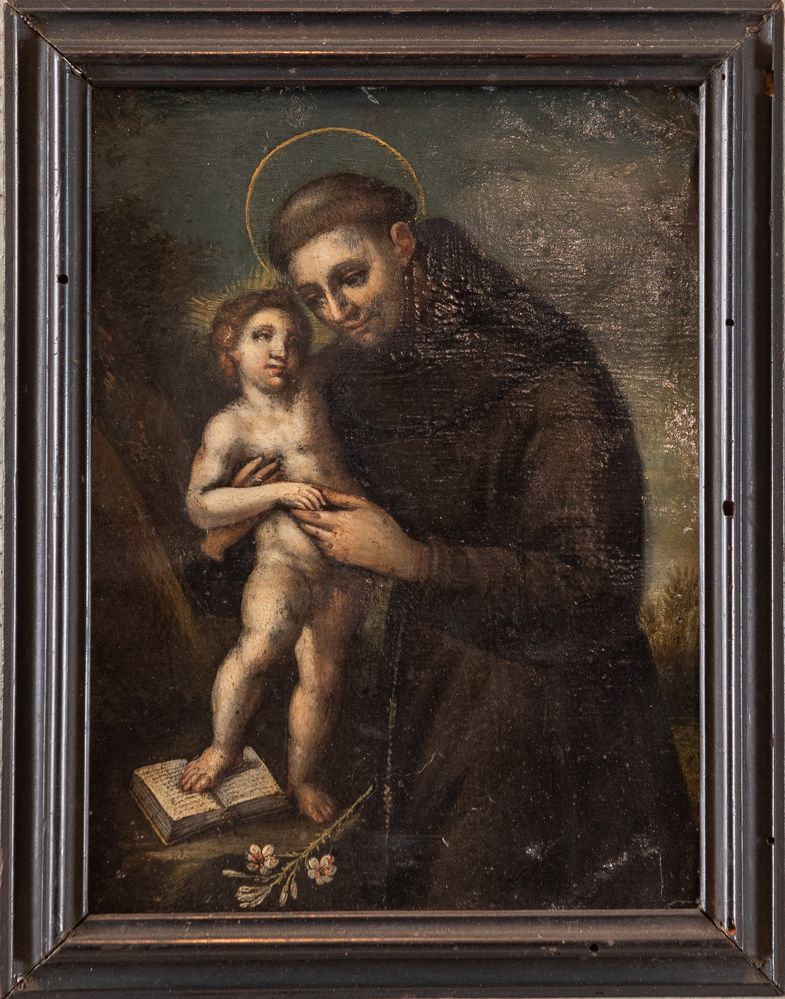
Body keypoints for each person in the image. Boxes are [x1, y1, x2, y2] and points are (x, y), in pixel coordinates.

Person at [264, 171, 698, 908]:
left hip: (556, 717)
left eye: (351, 278)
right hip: (429, 695)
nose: (337, 310)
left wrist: (414, 560)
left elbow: (596, 588)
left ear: (402, 244)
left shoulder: (549, 376)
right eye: (315, 298)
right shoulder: (345, 379)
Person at [180, 287, 365, 824]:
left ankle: (302, 778)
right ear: (231, 350)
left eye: (291, 339)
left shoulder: (314, 396)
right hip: (283, 564)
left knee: (323, 678)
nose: (279, 349)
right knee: (258, 649)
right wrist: (277, 492)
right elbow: (200, 505)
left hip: (343, 566)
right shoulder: (230, 425)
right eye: (262, 337)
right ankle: (223, 747)